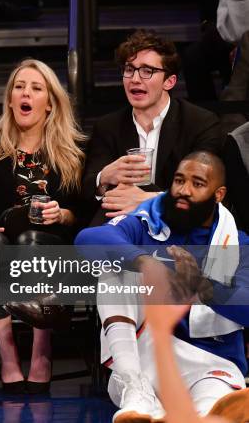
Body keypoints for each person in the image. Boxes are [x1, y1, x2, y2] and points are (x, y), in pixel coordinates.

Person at [76, 151, 249, 423]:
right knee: (116, 265)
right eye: (179, 180)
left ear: (219, 194)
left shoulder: (237, 242)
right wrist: (145, 263)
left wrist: (202, 286)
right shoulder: (148, 220)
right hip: (142, 359)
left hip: (209, 362)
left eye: (198, 184)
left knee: (213, 407)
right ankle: (135, 389)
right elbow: (89, 238)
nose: (184, 190)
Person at [0, 58, 85, 393]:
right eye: (19, 87)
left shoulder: (73, 153)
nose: (25, 93)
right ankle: (8, 350)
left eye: (36, 88)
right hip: (1, 239)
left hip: (52, 246)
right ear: (10, 99)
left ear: (50, 105)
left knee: (32, 239)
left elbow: (82, 214)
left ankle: (42, 348)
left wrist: (63, 215)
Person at [82, 29, 221, 225]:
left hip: (177, 222)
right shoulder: (107, 126)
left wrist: (149, 200)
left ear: (169, 81)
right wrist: (104, 177)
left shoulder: (200, 123)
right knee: (89, 238)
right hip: (123, 221)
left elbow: (202, 192)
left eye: (147, 71)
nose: (135, 79)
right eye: (129, 69)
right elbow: (87, 190)